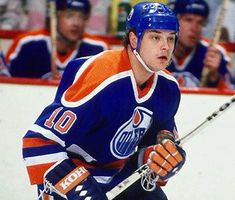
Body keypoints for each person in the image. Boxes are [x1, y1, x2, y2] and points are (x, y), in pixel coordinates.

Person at [22, 2, 186, 200]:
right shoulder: (102, 76)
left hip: (116, 176)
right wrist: (79, 189)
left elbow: (150, 150)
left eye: (171, 38)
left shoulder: (167, 87)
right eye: (155, 37)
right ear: (134, 39)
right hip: (71, 174)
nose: (165, 46)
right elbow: (37, 143)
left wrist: (163, 160)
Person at [6, 0, 108, 79]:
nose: (76, 23)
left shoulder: (98, 50)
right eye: (69, 16)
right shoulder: (28, 44)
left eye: (81, 17)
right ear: (54, 17)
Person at [167, 0, 232, 88]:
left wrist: (215, 77)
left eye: (200, 22)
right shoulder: (156, 50)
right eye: (188, 20)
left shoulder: (213, 53)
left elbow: (231, 96)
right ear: (174, 22)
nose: (194, 28)